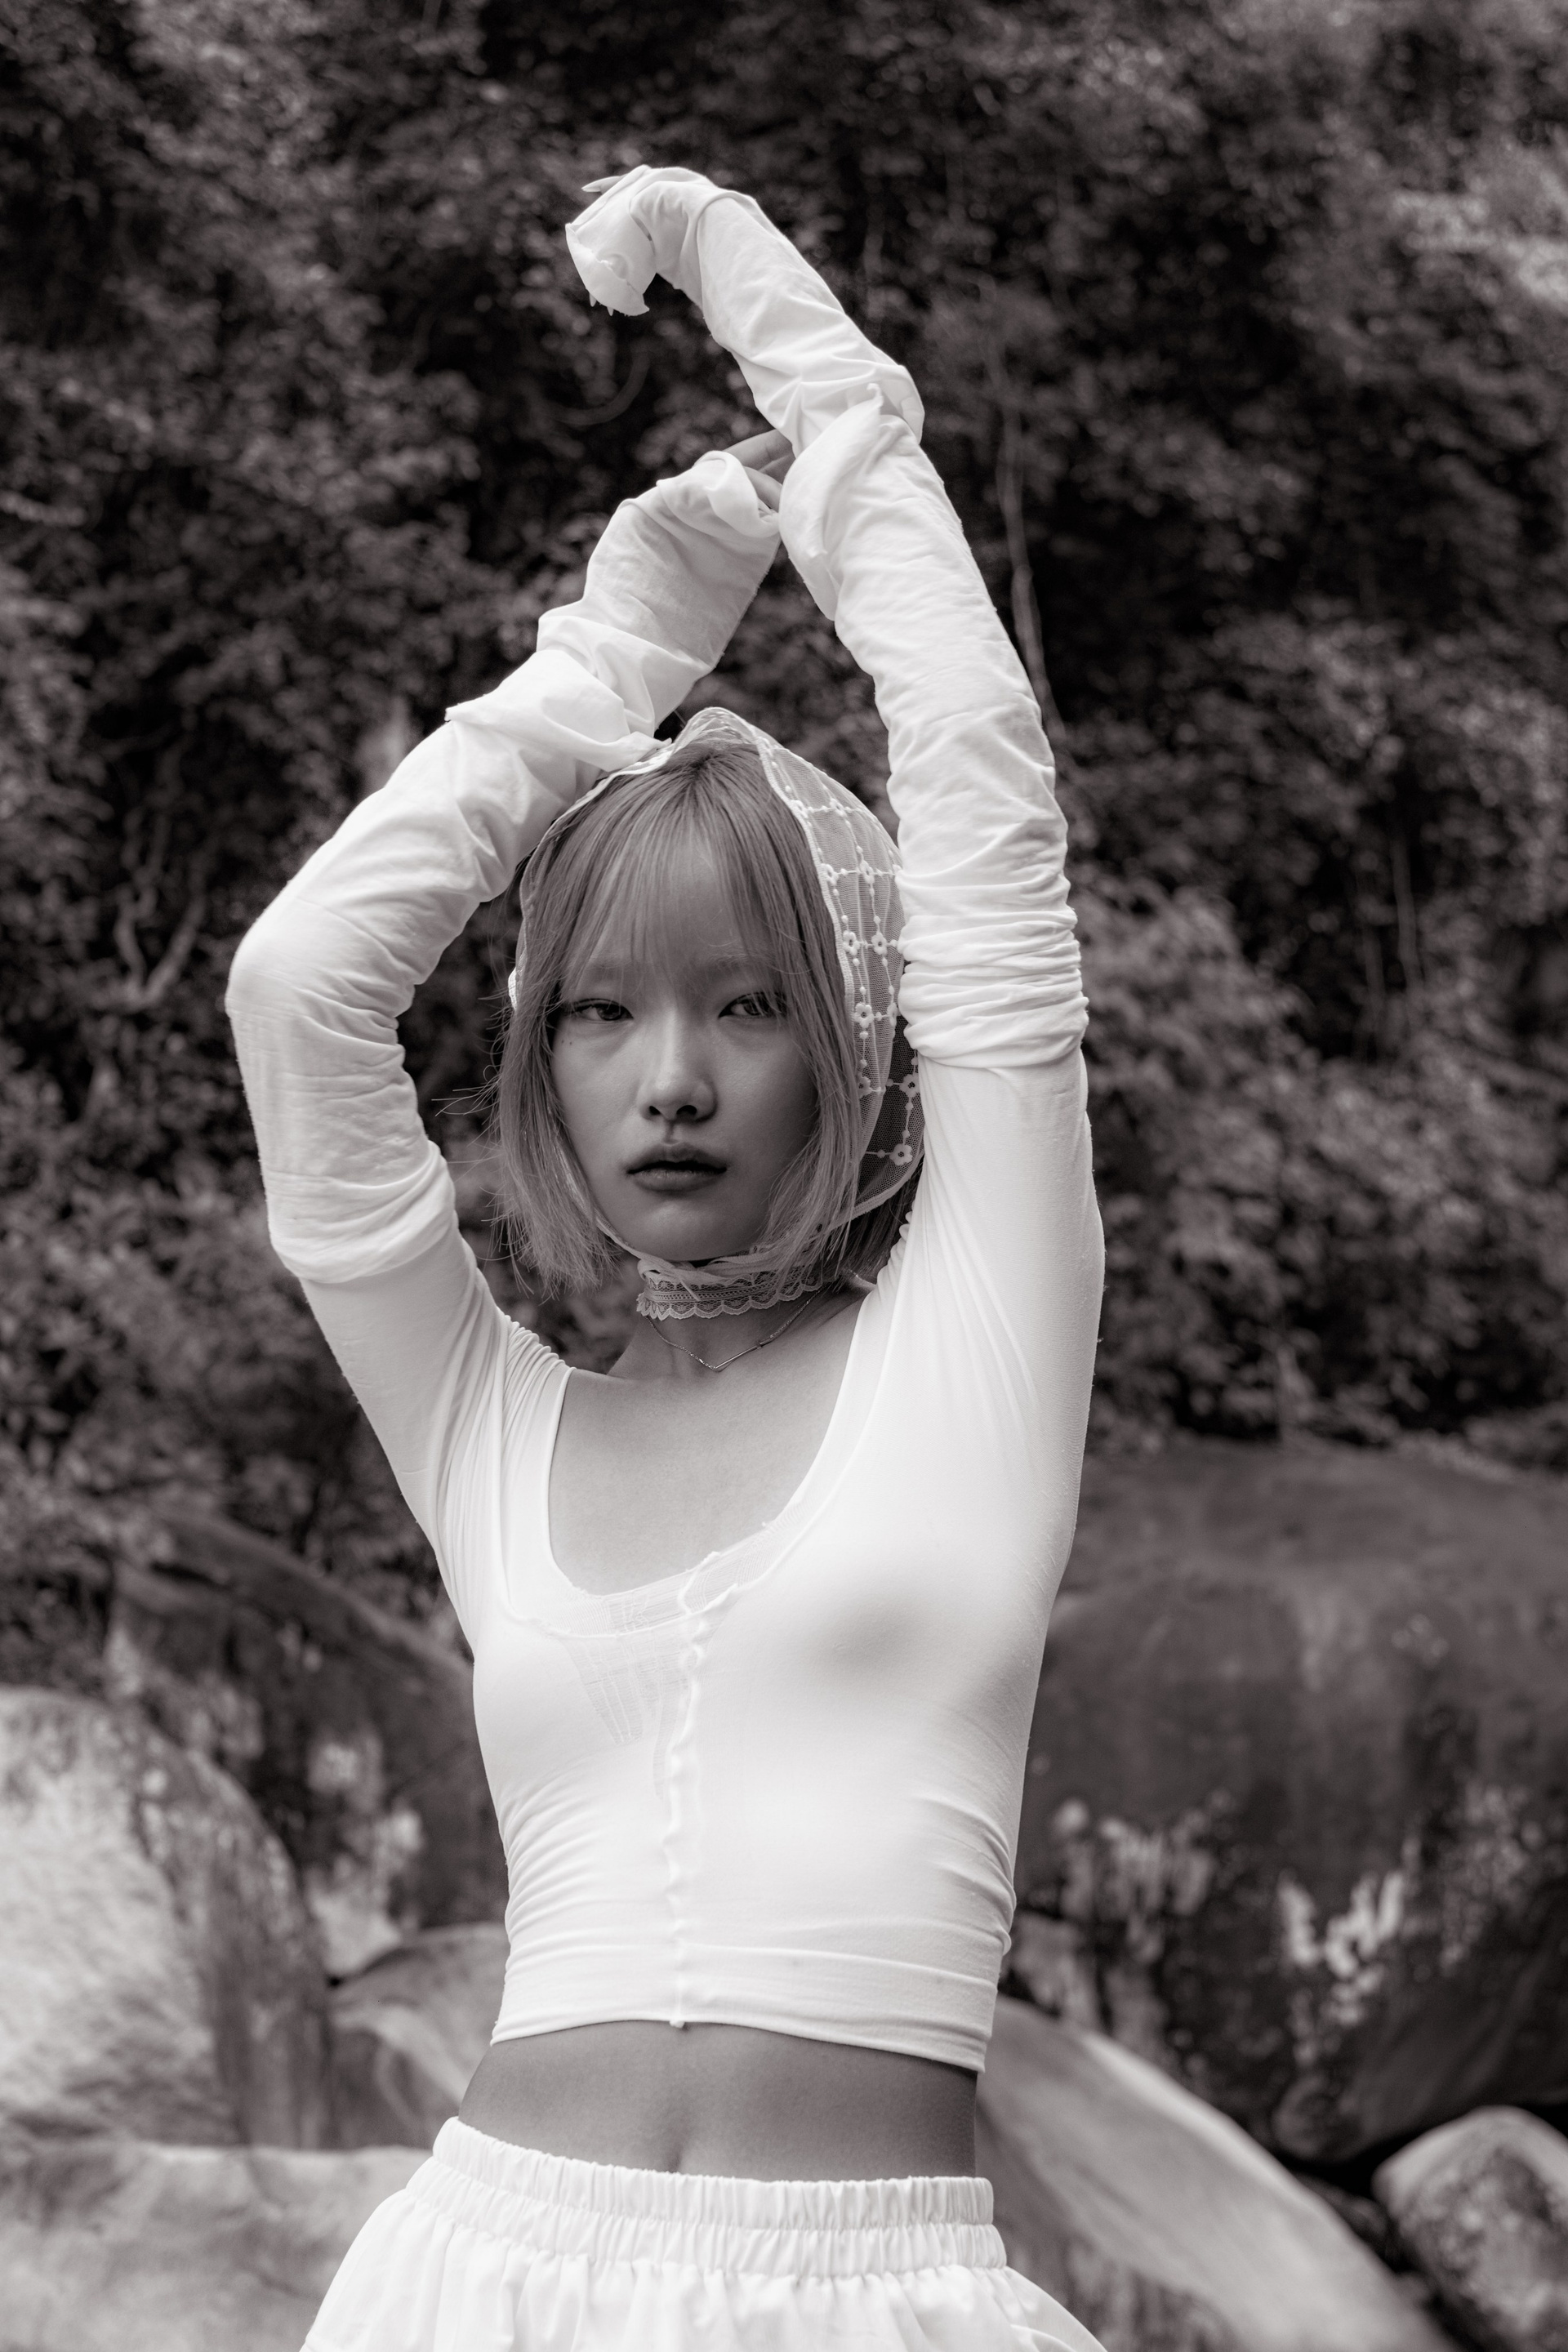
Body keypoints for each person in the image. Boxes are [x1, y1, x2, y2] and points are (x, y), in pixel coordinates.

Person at [227, 163, 1105, 2352]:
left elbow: (982, 794)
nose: (672, 1081)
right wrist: (614, 647)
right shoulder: (485, 1423)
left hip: (872, 2302)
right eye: (602, 1013)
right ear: (542, 1058)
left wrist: (817, 382)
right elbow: (300, 994)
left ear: (858, 1043)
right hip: (479, 2280)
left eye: (748, 1006)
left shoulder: (977, 1349)